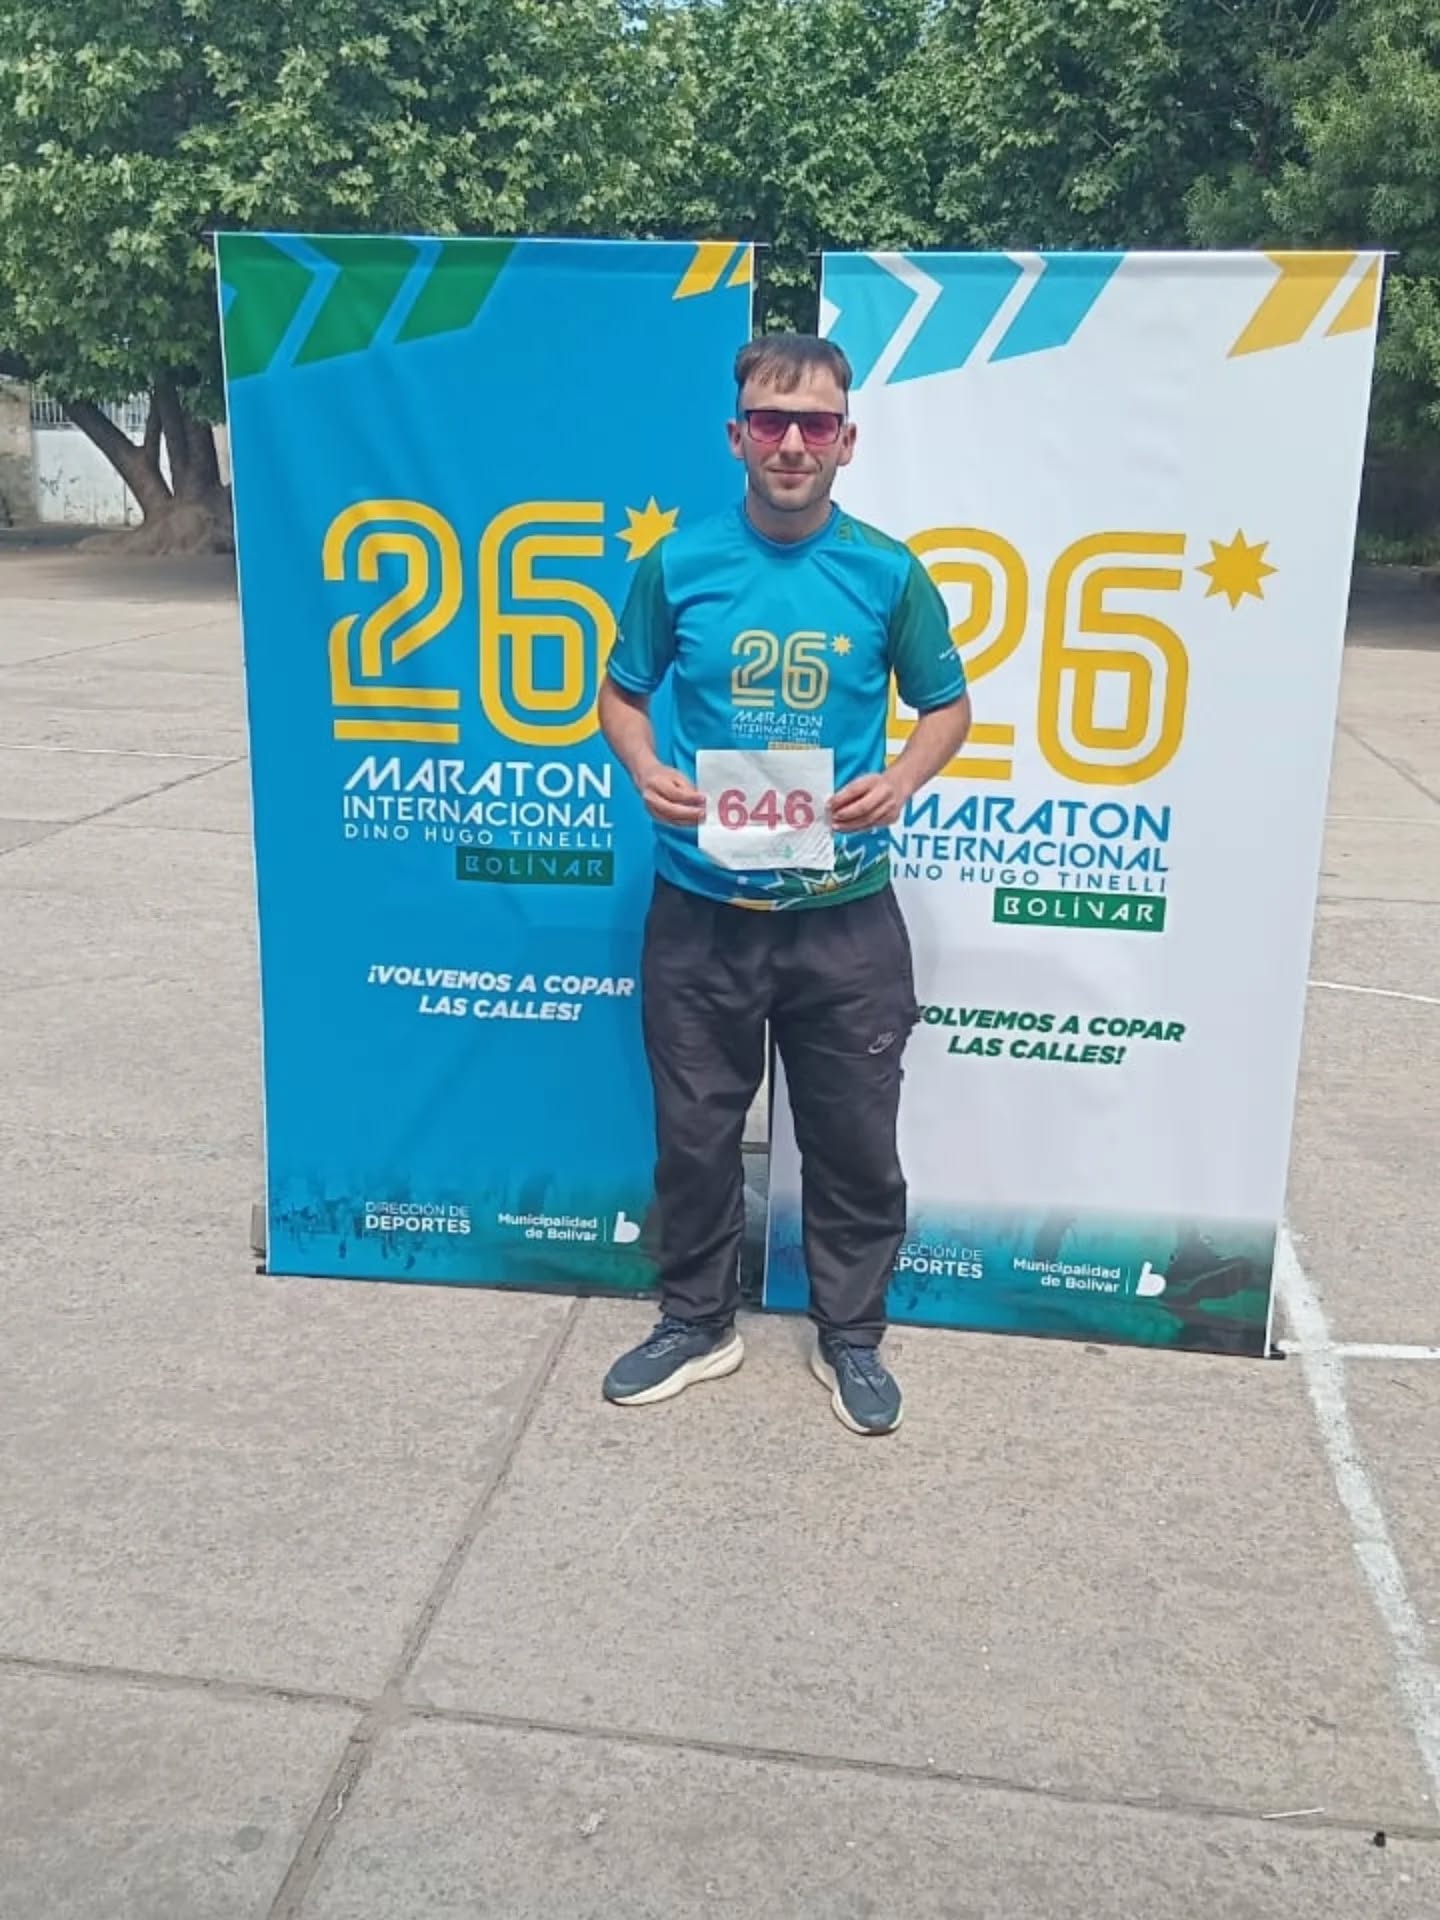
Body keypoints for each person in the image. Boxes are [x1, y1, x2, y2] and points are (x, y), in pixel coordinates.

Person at [597, 332, 972, 1435]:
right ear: (738, 436)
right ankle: (695, 1321)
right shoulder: (678, 567)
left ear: (847, 441)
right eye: (772, 421)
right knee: (696, 1136)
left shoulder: (888, 573)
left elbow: (947, 707)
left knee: (853, 1140)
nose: (793, 443)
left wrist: (902, 778)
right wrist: (646, 768)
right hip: (700, 910)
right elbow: (621, 693)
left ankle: (850, 1334)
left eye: (815, 424)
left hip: (842, 918)